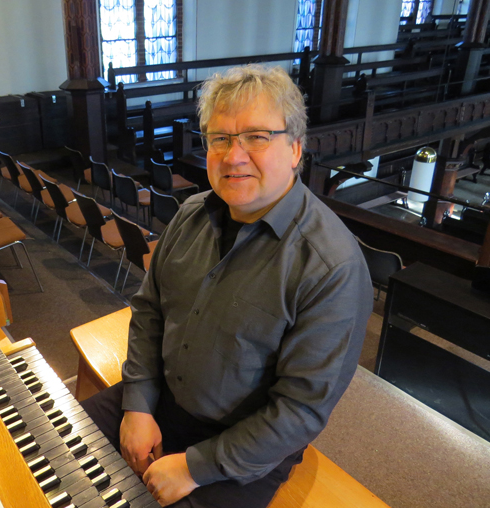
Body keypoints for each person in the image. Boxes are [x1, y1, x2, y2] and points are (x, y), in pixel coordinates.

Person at [82, 64, 373, 508]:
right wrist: (139, 402)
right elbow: (150, 310)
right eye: (220, 138)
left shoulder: (332, 266)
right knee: (46, 447)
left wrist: (193, 467)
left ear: (295, 149)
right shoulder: (190, 213)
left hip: (243, 447)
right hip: (159, 396)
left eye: (257, 137)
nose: (234, 156)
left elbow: (300, 411)